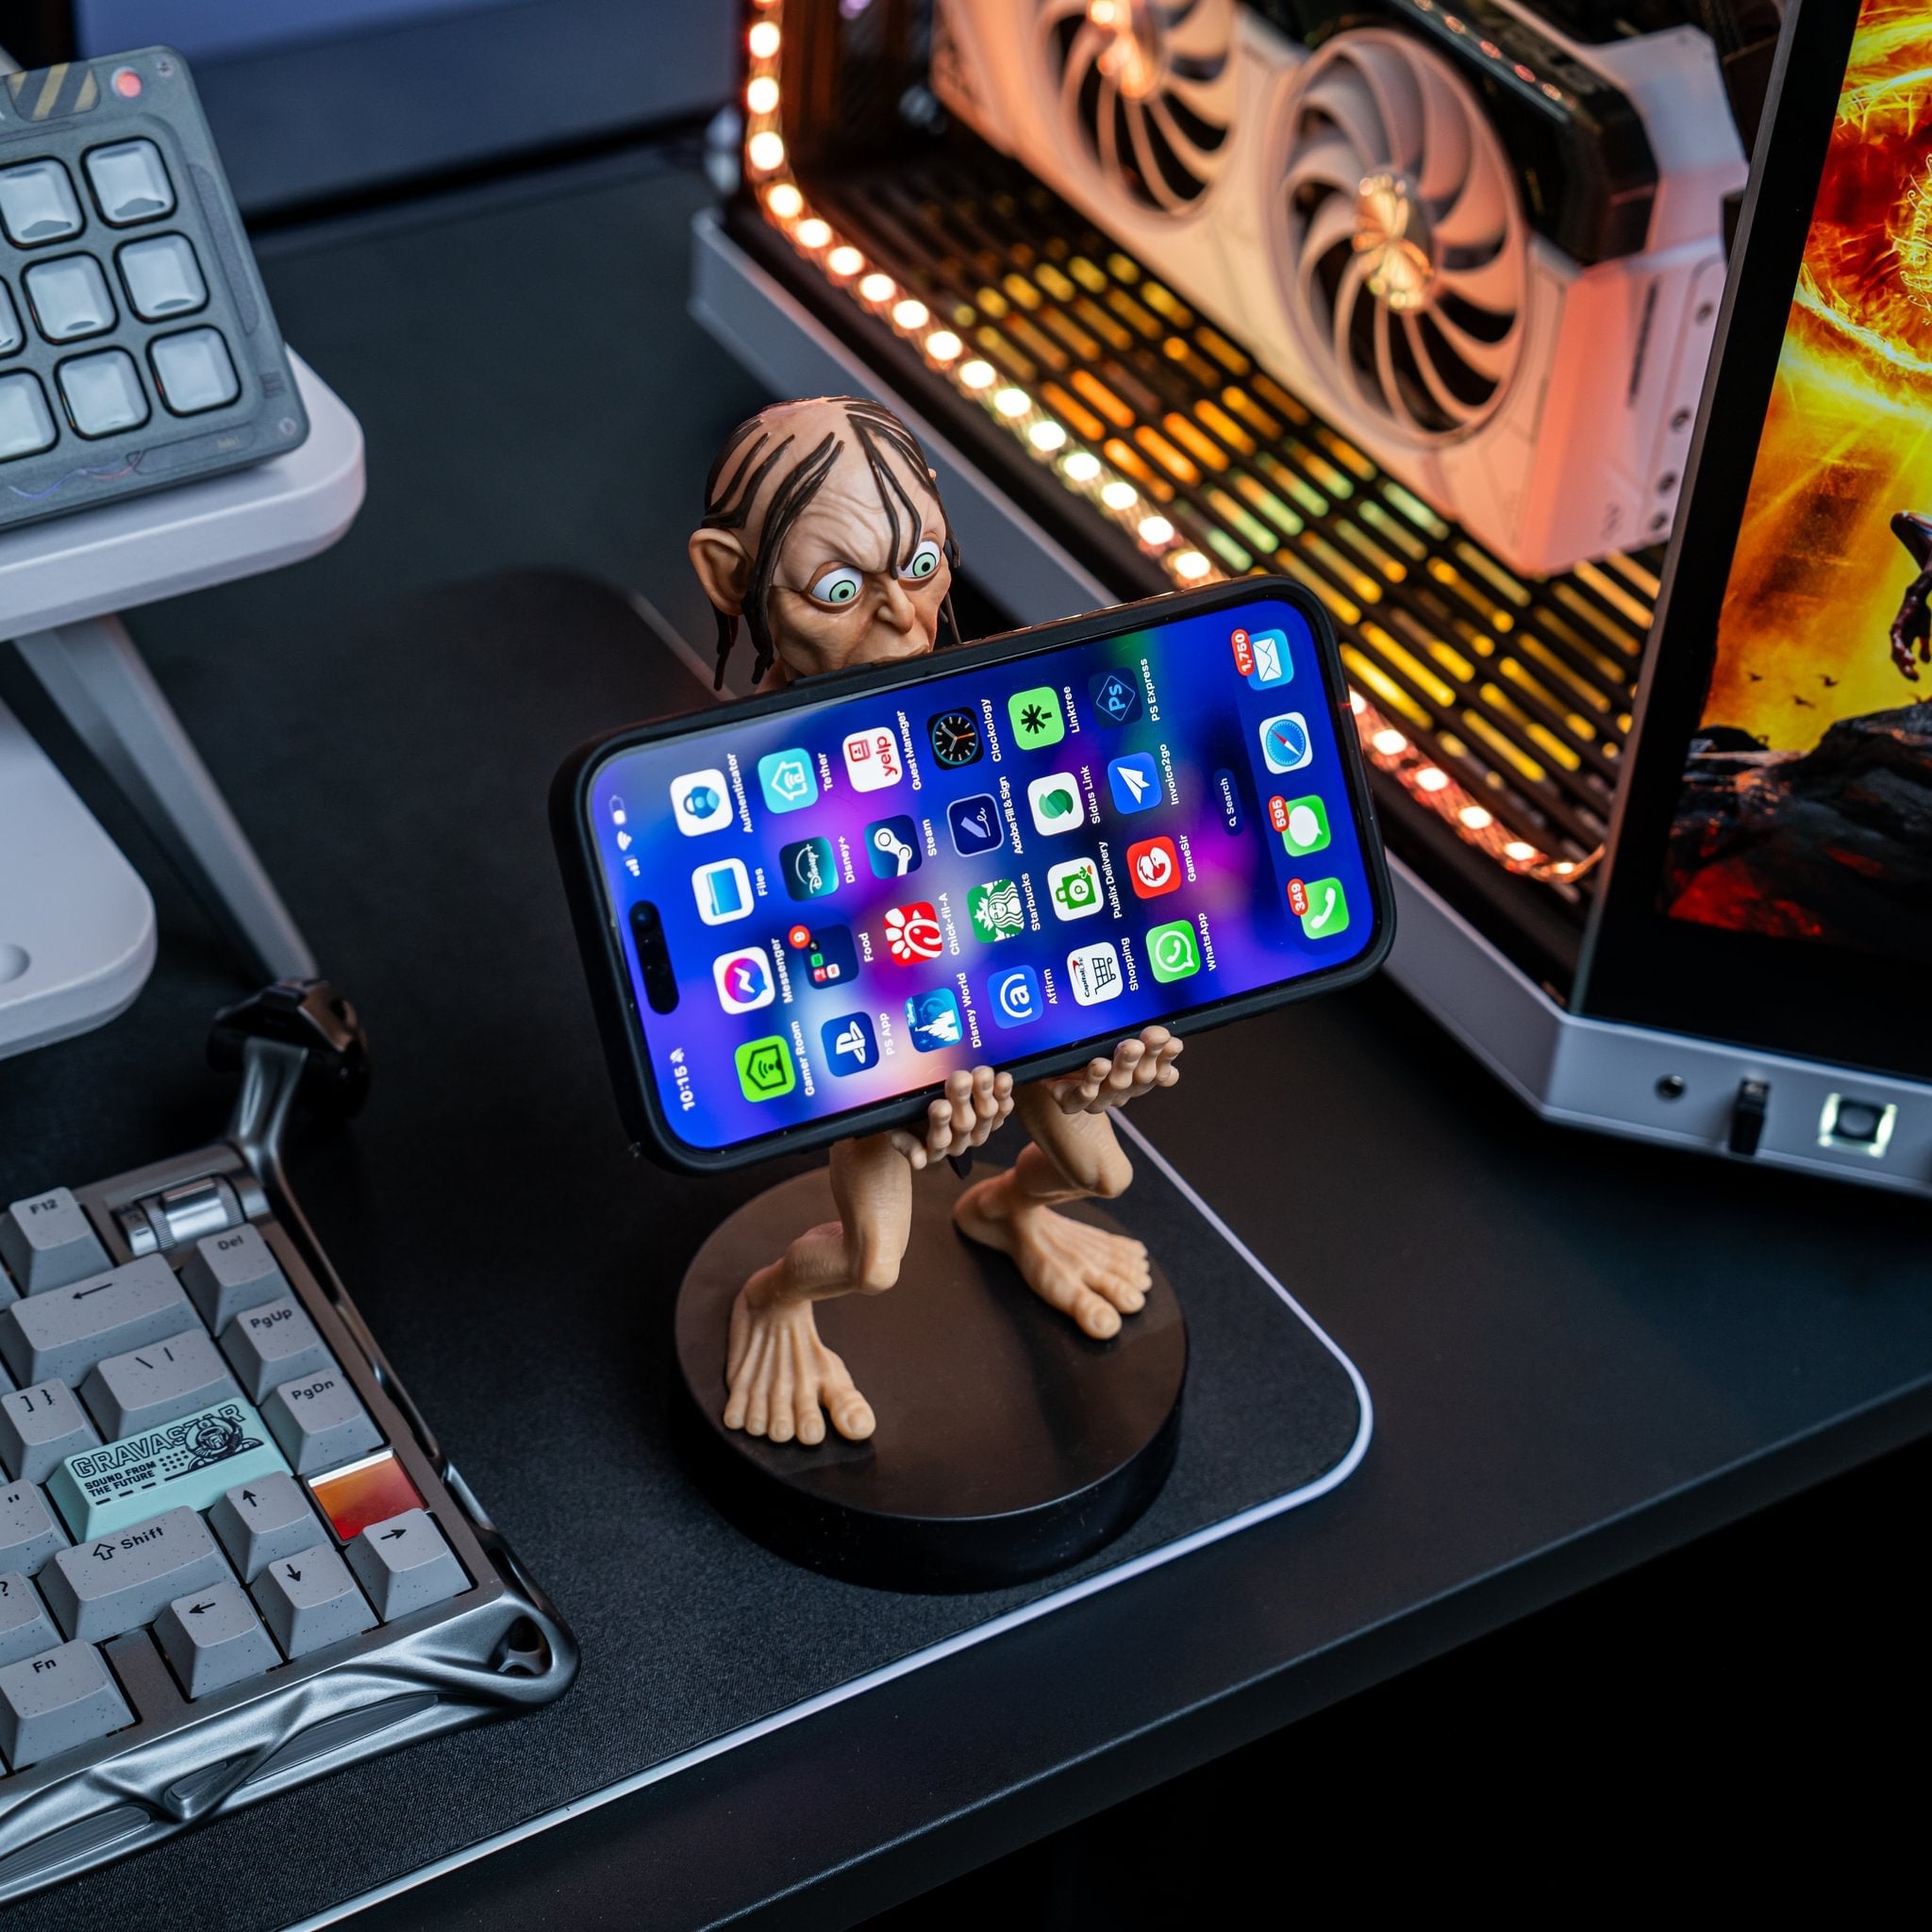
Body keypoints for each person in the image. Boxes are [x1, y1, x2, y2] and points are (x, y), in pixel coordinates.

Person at [686, 395, 1183, 1446]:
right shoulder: (738, 784)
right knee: (869, 1258)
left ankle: (1003, 1207)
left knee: (1103, 1170)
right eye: (835, 587)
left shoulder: (977, 705)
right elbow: (792, 986)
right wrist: (904, 1101)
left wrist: (1105, 1021)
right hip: (881, 1037)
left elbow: (1053, 869)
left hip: (1008, 993)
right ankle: (772, 1297)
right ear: (730, 576)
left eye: (921, 568)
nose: (903, 622)